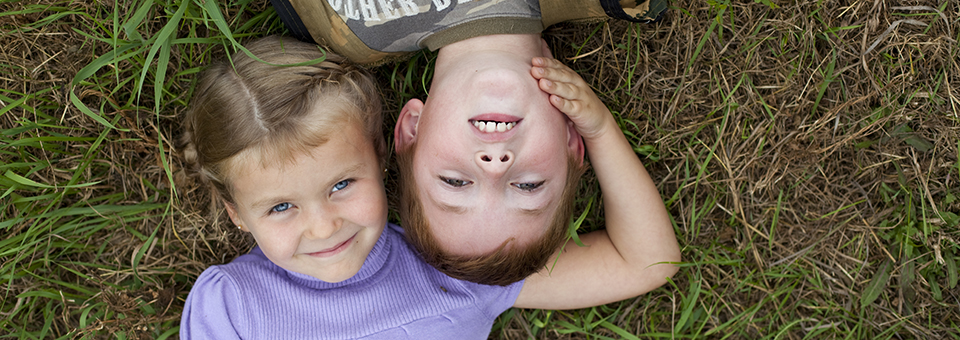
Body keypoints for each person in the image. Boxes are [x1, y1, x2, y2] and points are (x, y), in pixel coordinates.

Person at [179, 35, 679, 338]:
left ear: (381, 154)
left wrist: (598, 131)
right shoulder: (233, 307)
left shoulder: (459, 263)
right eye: (281, 206)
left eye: (342, 184)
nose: (322, 226)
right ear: (237, 214)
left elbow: (643, 261)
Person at [270, 0, 669, 285]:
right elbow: (652, 262)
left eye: (455, 182)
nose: (494, 165)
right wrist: (598, 127)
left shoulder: (350, 26)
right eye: (528, 186)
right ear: (570, 140)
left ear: (411, 130)